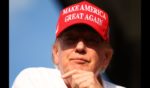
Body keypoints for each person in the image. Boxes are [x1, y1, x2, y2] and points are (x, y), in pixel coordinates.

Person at [12, 1, 125, 88]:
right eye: (70, 39)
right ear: (56, 52)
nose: (80, 47)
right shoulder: (33, 80)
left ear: (106, 57)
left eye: (91, 40)